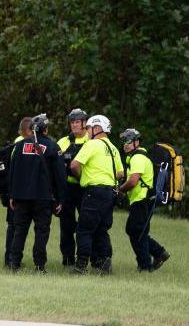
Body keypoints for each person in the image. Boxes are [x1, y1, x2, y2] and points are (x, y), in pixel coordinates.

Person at [7, 114, 65, 273]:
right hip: (43, 198)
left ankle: (14, 263)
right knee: (41, 232)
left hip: (21, 197)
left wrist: (12, 194)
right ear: (45, 129)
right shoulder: (53, 147)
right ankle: (39, 265)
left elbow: (13, 172)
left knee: (19, 231)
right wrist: (60, 198)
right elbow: (60, 175)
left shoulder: (19, 146)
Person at [69, 114, 124, 275]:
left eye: (88, 128)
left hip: (94, 192)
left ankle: (81, 266)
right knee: (101, 229)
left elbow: (74, 165)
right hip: (109, 193)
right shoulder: (113, 148)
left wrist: (82, 177)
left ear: (97, 128)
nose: (86, 131)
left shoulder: (92, 144)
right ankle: (106, 265)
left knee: (84, 229)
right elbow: (120, 173)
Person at [118, 128, 170, 272]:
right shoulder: (136, 156)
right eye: (124, 142)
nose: (125, 144)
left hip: (142, 201)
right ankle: (159, 253)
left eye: (128, 141)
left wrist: (121, 190)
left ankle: (145, 265)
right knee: (136, 230)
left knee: (136, 232)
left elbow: (133, 181)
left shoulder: (138, 157)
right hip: (142, 201)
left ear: (136, 142)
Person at [56, 108, 89, 267]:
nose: (74, 125)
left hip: (85, 188)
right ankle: (68, 258)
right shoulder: (63, 142)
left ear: (85, 123)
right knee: (66, 224)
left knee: (86, 224)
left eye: (77, 122)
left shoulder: (92, 141)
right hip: (67, 187)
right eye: (72, 122)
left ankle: (87, 258)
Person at [3, 116, 33, 268]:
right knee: (14, 226)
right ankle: (10, 259)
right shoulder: (20, 144)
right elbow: (16, 170)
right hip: (16, 192)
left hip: (16, 191)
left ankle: (10, 259)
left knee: (14, 226)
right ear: (26, 131)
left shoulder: (20, 142)